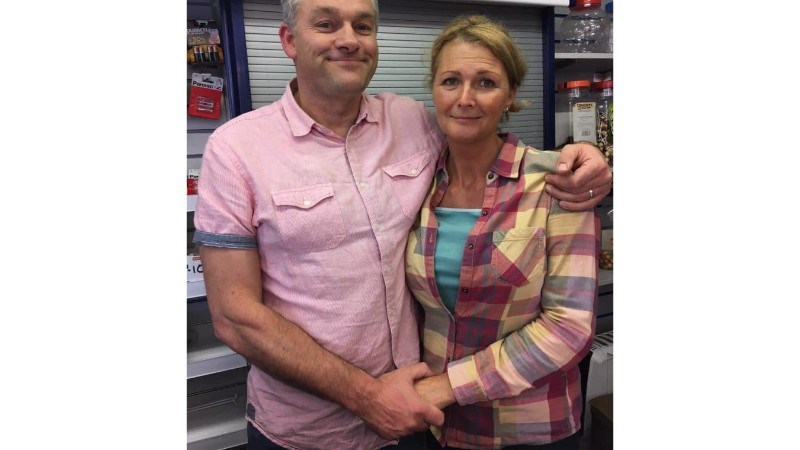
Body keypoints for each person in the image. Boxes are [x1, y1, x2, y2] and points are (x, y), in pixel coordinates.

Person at [193, 1, 610, 449]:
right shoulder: (236, 150)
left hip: (419, 421)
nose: (348, 39)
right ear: (289, 40)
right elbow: (235, 317)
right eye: (327, 24)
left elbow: (486, 142)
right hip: (309, 430)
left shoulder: (412, 124)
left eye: (363, 26)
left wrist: (589, 158)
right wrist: (367, 397)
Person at [405, 15, 599, 449]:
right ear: (433, 89)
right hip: (437, 427)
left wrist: (446, 387)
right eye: (451, 81)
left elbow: (569, 327)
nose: (465, 99)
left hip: (528, 429)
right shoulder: (415, 185)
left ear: (510, 94)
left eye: (486, 83)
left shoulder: (556, 182)